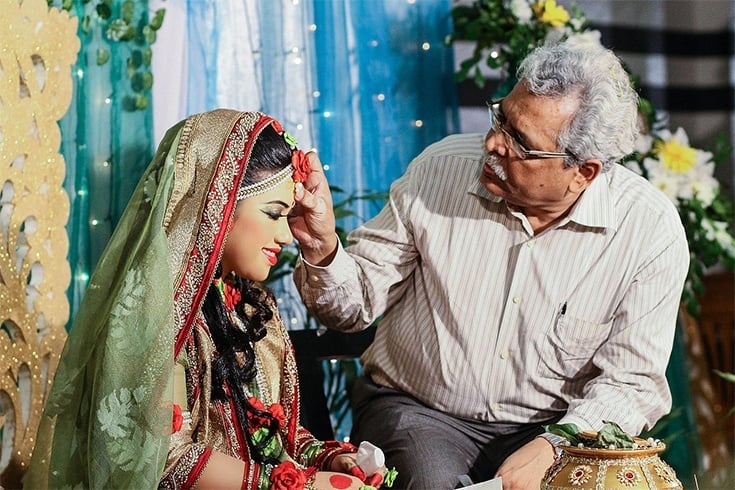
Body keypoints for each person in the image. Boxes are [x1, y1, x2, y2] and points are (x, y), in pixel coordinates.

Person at [289, 39, 689, 489]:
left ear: (584, 172)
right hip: (418, 411)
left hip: (557, 430)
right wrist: (322, 247)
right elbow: (351, 308)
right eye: (502, 116)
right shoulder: (440, 170)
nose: (493, 143)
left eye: (521, 142)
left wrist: (558, 445)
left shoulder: (649, 231)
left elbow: (633, 384)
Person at [25, 110, 386, 489]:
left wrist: (332, 459)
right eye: (274, 214)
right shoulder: (157, 313)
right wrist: (301, 486)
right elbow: (166, 459)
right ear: (218, 204)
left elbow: (280, 439)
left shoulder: (253, 308)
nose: (285, 235)